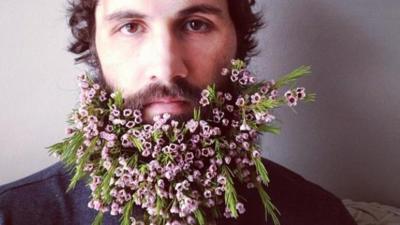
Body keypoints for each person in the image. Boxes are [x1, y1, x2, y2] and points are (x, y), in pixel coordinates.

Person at [0, 1, 357, 224]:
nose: (167, 67)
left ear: (238, 41)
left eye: (196, 23)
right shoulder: (13, 215)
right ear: (94, 45)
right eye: (130, 27)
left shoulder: (317, 215)